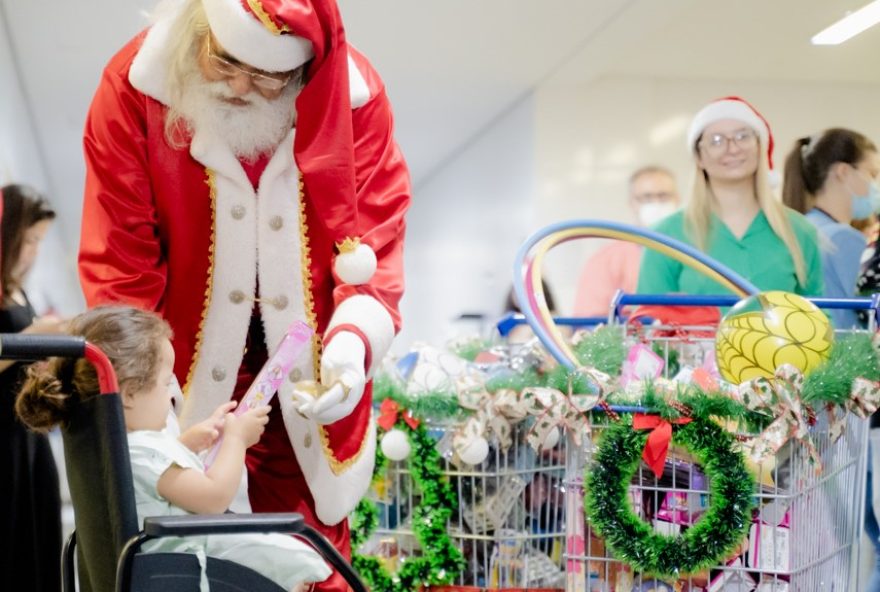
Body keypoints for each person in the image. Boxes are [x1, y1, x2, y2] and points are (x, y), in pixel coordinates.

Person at [77, 1, 411, 588]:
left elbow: (374, 244)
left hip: (308, 381)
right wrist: (142, 398)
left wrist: (353, 346)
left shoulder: (355, 98)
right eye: (223, 60)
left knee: (308, 555)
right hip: (174, 377)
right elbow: (120, 264)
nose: (237, 85)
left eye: (267, 76)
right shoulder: (136, 85)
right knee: (177, 557)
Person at [16, 306, 331, 592]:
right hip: (178, 570)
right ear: (127, 395)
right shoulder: (141, 451)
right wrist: (236, 440)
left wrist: (190, 442)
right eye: (166, 382)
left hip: (155, 565)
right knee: (298, 553)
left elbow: (150, 481)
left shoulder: (107, 445)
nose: (170, 395)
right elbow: (212, 498)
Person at [637, 96, 823, 297]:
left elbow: (820, 316)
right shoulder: (667, 235)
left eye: (743, 136)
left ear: (760, 147)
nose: (733, 149)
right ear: (699, 157)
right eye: (716, 141)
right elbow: (645, 319)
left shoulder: (799, 231)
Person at [0, 184, 64, 592]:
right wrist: (31, 335)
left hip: (28, 434)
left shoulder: (18, 289)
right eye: (29, 240)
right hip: (2, 440)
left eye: (40, 241)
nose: (34, 252)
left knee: (38, 537)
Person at [782, 128, 879, 329]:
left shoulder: (802, 229)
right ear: (843, 172)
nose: (875, 185)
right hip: (848, 356)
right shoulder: (844, 239)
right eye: (872, 174)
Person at [573, 166, 680, 317]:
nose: (656, 203)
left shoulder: (698, 254)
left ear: (678, 200)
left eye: (663, 196)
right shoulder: (606, 260)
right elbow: (589, 323)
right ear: (632, 203)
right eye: (647, 197)